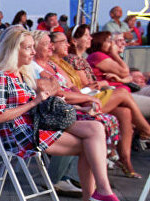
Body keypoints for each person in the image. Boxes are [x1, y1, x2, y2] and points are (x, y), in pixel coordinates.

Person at [0, 27, 132, 201]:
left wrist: (76, 107)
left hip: (36, 123)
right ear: (14, 50)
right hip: (21, 134)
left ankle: (101, 193)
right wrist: (34, 101)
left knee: (95, 128)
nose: (33, 52)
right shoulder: (1, 76)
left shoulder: (20, 73)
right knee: (89, 146)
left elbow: (53, 90)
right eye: (28, 48)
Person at [44, 31, 150, 178]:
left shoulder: (64, 63)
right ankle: (146, 131)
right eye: (109, 41)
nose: (67, 44)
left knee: (125, 112)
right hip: (80, 100)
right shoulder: (88, 57)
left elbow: (74, 86)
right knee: (123, 95)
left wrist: (114, 79)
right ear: (51, 46)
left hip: (88, 96)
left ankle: (125, 160)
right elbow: (69, 89)